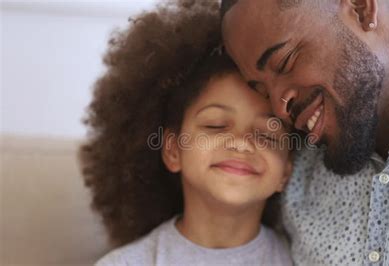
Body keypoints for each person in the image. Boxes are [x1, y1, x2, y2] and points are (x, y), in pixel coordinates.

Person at [220, 0, 389, 265]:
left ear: (361, 9)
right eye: (261, 90)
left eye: (285, 62)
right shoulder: (294, 172)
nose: (279, 108)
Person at [80, 1, 293, 265]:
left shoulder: (304, 261)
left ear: (286, 171)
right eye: (215, 125)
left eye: (266, 136)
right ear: (173, 150)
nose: (241, 144)